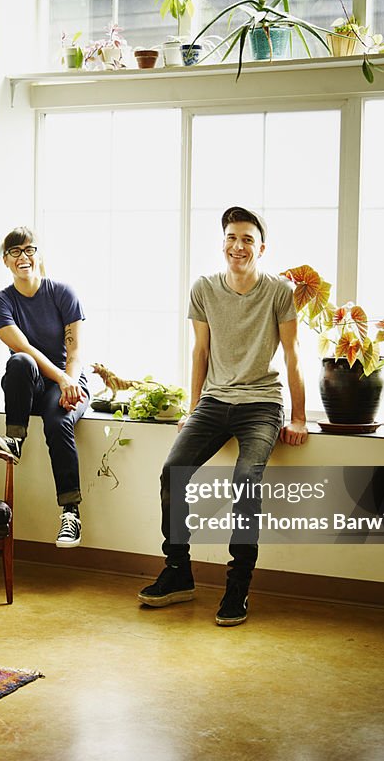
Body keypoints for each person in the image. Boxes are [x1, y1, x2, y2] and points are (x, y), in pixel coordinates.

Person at [137, 206, 308, 626]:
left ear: (261, 248)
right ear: (223, 243)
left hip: (262, 405)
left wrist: (299, 416)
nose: (238, 246)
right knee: (172, 471)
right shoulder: (205, 288)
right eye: (232, 237)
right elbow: (200, 352)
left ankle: (238, 585)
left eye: (247, 239)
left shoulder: (279, 291)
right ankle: (178, 571)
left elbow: (292, 355)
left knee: (246, 479)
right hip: (214, 403)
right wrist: (193, 409)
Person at [0, 227, 90, 548]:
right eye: (15, 252)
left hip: (68, 382)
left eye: (29, 250)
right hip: (29, 388)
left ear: (39, 255)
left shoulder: (62, 293)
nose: (23, 257)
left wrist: (68, 380)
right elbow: (24, 348)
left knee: (58, 422)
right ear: (6, 261)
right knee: (20, 362)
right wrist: (61, 379)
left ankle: (71, 513)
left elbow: (74, 352)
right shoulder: (0, 301)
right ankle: (15, 439)